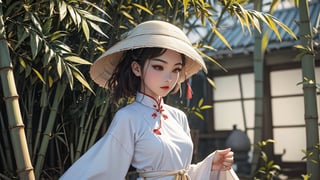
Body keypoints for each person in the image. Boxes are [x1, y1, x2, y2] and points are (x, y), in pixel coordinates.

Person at [60, 20, 238, 180]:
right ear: (137, 68)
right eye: (158, 67)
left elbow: (180, 173)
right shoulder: (128, 118)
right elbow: (103, 170)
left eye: (176, 69)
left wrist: (209, 165)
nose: (168, 77)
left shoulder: (179, 117)